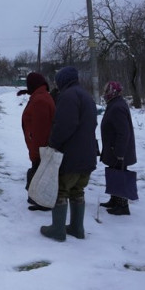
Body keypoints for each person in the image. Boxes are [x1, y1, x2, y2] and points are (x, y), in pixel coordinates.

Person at [40, 66, 98, 241]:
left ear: (63, 80)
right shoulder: (86, 95)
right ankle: (76, 228)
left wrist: (53, 143)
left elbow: (65, 125)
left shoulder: (68, 96)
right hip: (88, 154)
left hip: (71, 155)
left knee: (61, 190)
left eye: (57, 81)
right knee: (78, 190)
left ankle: (58, 230)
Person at [17, 72, 56, 211]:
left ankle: (42, 201)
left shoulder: (40, 100)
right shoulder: (42, 96)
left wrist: (36, 153)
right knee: (40, 173)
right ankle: (39, 199)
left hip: (40, 148)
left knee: (40, 172)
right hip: (40, 146)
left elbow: (41, 130)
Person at [99, 80, 137, 215]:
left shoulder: (117, 107)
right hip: (114, 149)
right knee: (114, 173)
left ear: (112, 92)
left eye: (106, 91)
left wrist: (119, 152)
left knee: (119, 175)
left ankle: (122, 206)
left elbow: (123, 132)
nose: (104, 94)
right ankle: (114, 200)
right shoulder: (114, 104)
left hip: (119, 151)